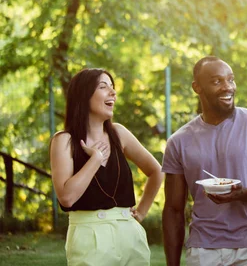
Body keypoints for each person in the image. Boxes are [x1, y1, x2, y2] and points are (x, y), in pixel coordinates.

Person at [161, 56, 247, 266]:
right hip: (202, 249)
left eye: (230, 80)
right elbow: (173, 209)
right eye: (217, 81)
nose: (227, 87)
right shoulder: (179, 141)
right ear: (197, 87)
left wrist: (242, 194)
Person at [50, 68, 163, 266]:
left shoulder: (119, 134)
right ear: (84, 96)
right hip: (89, 235)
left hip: (130, 234)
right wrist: (95, 160)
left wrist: (142, 212)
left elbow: (156, 171)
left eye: (113, 87)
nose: (113, 92)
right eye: (103, 87)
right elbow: (67, 198)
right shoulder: (64, 140)